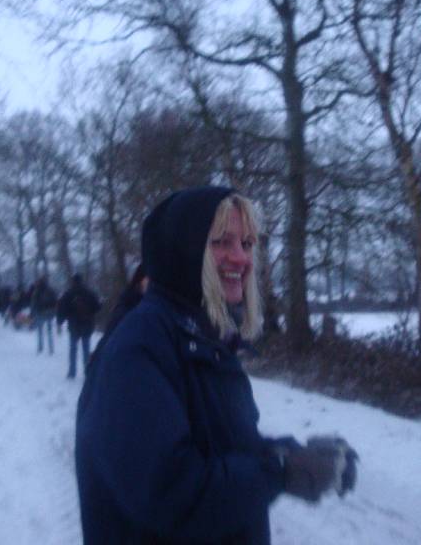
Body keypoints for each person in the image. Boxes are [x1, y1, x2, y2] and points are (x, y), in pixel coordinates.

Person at [75, 186, 357, 544]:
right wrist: (279, 471)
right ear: (184, 251)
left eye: (247, 244)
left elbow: (222, 447)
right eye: (222, 242)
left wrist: (296, 456)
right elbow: (170, 494)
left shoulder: (201, 337)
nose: (241, 258)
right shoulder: (139, 347)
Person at [56, 273, 101, 379]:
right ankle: (87, 371)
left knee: (73, 350)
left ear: (73, 281)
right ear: (82, 281)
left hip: (73, 325)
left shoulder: (68, 294)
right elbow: (98, 307)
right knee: (86, 349)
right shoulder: (90, 293)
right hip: (87, 324)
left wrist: (59, 322)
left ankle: (72, 372)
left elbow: (62, 309)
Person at [30, 276, 58, 354]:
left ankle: (40, 347)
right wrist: (54, 312)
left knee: (40, 331)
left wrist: (32, 313)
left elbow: (33, 303)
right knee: (49, 332)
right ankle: (51, 348)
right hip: (49, 313)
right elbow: (55, 301)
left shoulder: (37, 291)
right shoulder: (51, 290)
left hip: (40, 313)